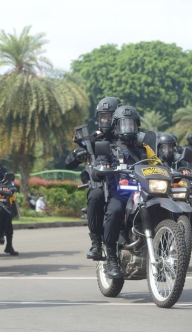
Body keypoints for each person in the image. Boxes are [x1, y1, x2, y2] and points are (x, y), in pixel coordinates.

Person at [96, 105, 154, 279]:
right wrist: (104, 166)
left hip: (144, 192)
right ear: (116, 126)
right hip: (121, 193)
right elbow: (100, 162)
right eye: (124, 124)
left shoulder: (145, 148)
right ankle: (112, 257)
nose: (128, 128)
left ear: (137, 126)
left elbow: (157, 164)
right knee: (114, 211)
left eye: (131, 124)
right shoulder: (110, 147)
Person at [65, 96, 121, 260]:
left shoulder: (126, 136)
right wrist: (77, 154)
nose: (105, 120)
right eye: (102, 116)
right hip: (101, 184)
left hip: (124, 184)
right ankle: (96, 243)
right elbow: (69, 164)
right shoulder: (93, 139)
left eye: (109, 116)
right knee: (95, 195)